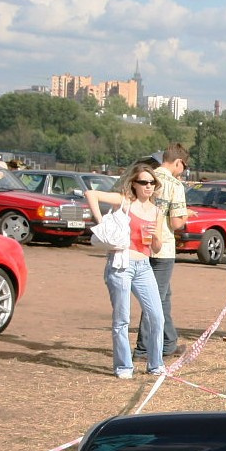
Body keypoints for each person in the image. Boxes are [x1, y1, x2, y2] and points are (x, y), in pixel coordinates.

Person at [83, 162, 166, 379]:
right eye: (143, 182)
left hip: (144, 266)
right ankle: (124, 366)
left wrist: (156, 238)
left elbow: (156, 248)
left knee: (157, 316)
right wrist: (101, 224)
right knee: (122, 319)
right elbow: (90, 193)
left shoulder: (157, 212)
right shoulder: (125, 202)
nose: (148, 186)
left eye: (152, 182)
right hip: (121, 264)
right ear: (134, 184)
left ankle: (155, 364)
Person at [133, 143, 189, 361]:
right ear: (177, 162)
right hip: (163, 246)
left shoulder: (143, 177)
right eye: (183, 166)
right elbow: (175, 222)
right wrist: (186, 216)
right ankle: (143, 348)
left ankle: (168, 342)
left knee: (163, 296)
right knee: (154, 298)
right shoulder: (175, 185)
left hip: (141, 245)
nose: (183, 171)